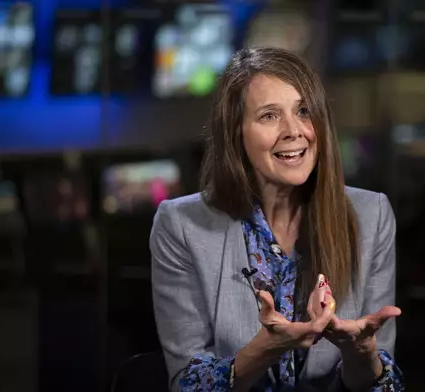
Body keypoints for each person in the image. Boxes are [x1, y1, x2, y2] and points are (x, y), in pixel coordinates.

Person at [150, 47, 404, 392]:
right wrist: (264, 350)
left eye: (303, 111)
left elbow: (383, 385)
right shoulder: (181, 226)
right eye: (269, 116)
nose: (293, 131)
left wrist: (361, 353)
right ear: (235, 133)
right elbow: (187, 384)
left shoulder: (372, 215)